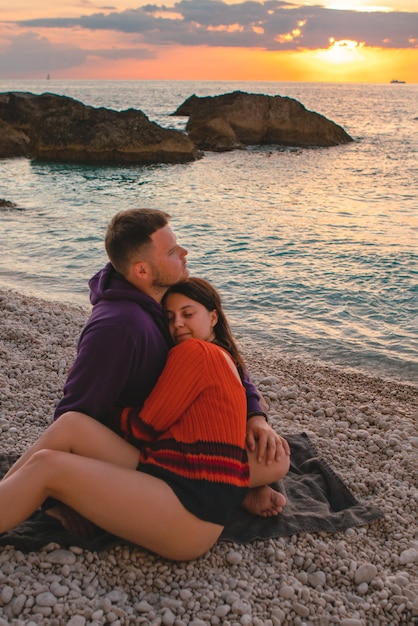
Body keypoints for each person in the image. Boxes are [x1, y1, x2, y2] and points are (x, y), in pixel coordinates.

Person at [0, 281, 289, 560]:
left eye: (188, 314)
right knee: (70, 423)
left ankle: (17, 495)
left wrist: (109, 400)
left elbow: (142, 429)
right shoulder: (225, 357)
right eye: (170, 317)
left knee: (48, 466)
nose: (177, 324)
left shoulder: (194, 353)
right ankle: (9, 493)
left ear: (213, 317)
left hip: (190, 517)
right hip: (171, 471)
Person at [47, 209, 285, 532]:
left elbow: (221, 354)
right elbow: (74, 413)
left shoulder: (163, 299)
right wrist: (67, 494)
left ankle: (233, 486)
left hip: (178, 425)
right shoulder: (119, 327)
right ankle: (234, 490)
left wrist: (254, 414)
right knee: (269, 463)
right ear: (143, 269)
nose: (184, 253)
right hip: (146, 441)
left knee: (277, 456)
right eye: (173, 251)